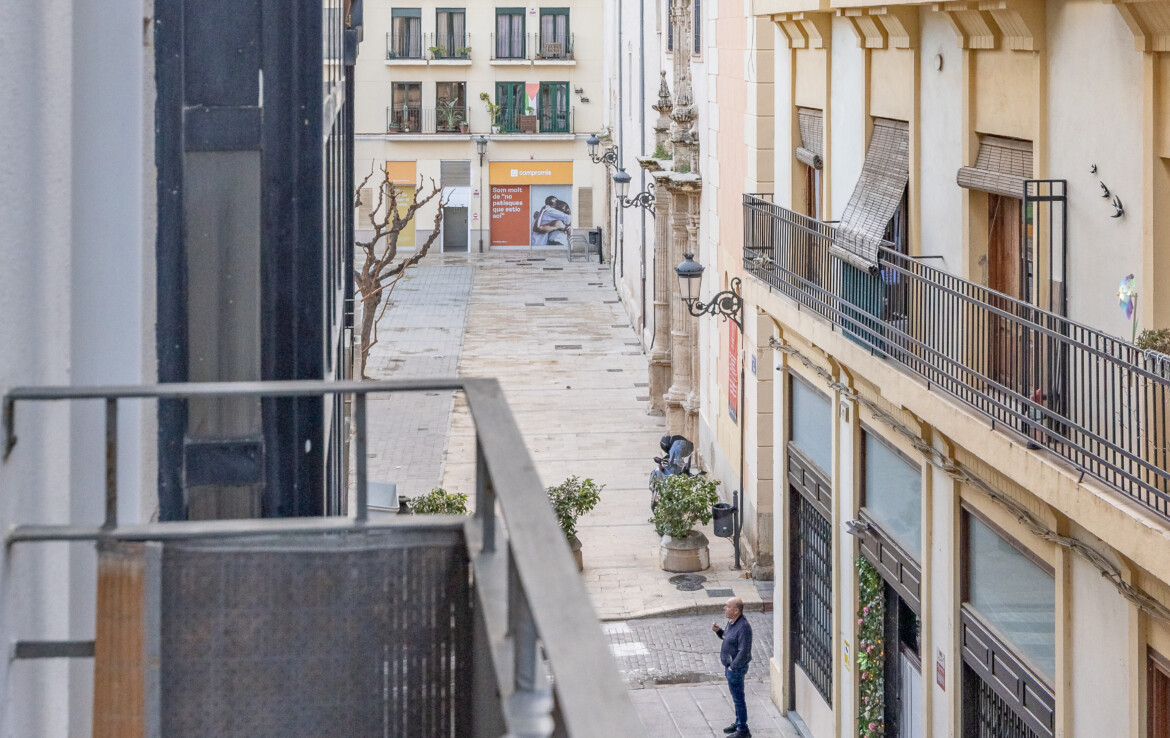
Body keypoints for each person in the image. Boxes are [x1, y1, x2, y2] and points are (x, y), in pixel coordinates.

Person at [712, 596, 753, 737]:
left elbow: (744, 651)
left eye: (727, 606)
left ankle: (743, 730)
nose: (725, 608)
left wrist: (733, 667)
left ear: (736, 610)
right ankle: (738, 722)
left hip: (736, 669)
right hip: (730, 668)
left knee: (739, 699)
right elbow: (728, 638)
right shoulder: (732, 622)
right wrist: (719, 631)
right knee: (736, 697)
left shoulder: (744, 627)